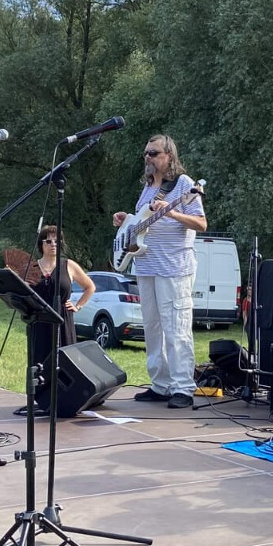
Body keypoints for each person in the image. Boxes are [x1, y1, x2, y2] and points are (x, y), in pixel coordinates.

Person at [112, 133, 206, 408]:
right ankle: (161, 384)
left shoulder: (184, 185)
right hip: (146, 266)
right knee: (152, 329)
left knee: (175, 328)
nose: (148, 157)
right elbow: (141, 224)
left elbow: (201, 224)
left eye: (153, 153)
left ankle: (183, 388)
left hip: (173, 268)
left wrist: (172, 213)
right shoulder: (148, 188)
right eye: (146, 153)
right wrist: (125, 220)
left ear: (169, 157)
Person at [19, 225, 96, 416]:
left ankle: (66, 398)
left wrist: (78, 305)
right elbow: (21, 294)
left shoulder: (68, 265)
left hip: (63, 319)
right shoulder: (32, 266)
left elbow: (90, 287)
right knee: (40, 359)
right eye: (48, 241)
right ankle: (42, 399)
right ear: (41, 244)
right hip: (40, 320)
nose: (53, 244)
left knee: (65, 360)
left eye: (57, 241)